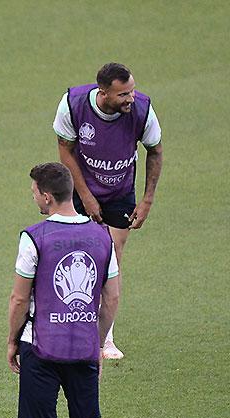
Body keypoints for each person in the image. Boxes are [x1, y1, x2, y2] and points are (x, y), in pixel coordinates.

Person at [7, 162, 151, 418]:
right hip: (83, 348)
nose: (33, 198)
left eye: (34, 192)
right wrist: (98, 343)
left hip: (40, 346)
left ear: (47, 196)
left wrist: (11, 340)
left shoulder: (34, 237)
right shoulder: (103, 237)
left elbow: (19, 298)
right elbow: (112, 296)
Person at [54, 62, 163, 359]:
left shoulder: (142, 110)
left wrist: (147, 200)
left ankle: (105, 338)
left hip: (120, 191)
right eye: (123, 94)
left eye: (132, 91)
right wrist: (86, 196)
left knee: (111, 256)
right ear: (103, 93)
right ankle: (72, 328)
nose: (131, 98)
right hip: (81, 187)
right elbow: (65, 149)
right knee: (78, 256)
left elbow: (155, 150)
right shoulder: (73, 105)